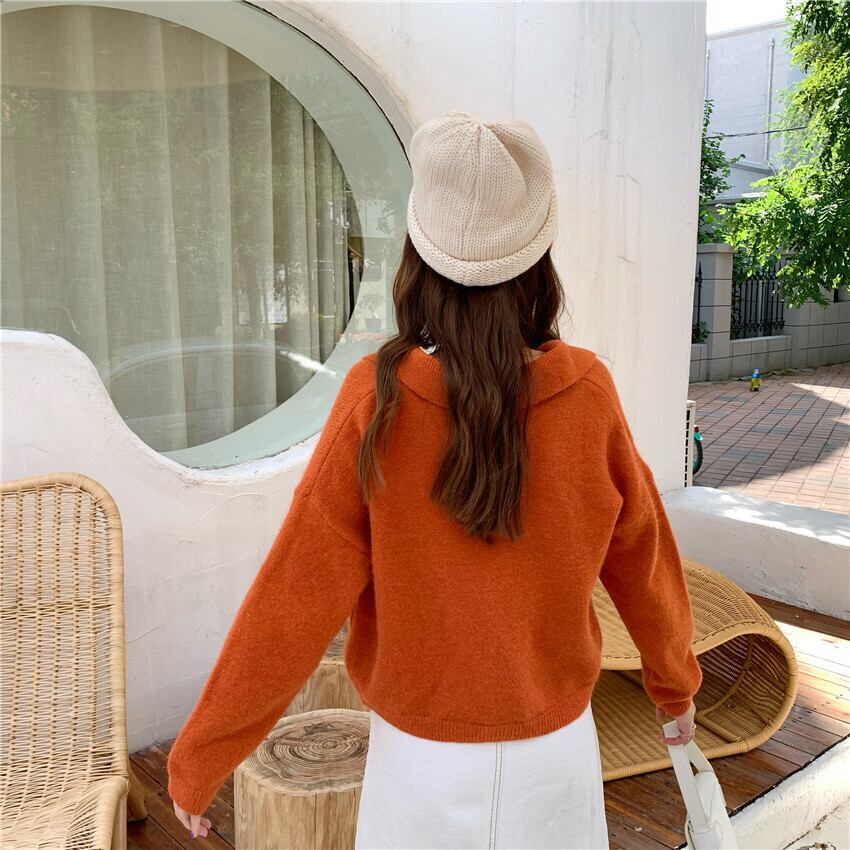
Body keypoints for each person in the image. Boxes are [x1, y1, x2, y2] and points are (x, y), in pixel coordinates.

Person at [166, 109, 702, 849]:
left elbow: (294, 593)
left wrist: (201, 756)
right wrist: (675, 683)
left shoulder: (376, 400)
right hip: (555, 756)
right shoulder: (587, 394)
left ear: (417, 257)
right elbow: (645, 559)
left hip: (419, 765)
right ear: (540, 261)